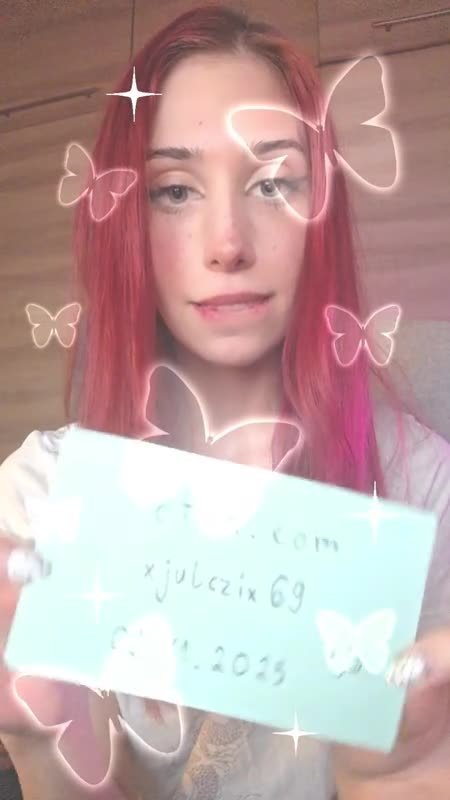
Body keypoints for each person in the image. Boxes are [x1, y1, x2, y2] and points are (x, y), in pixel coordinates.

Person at [1, 3, 450, 799]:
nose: (228, 244)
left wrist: (397, 783)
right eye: (174, 190)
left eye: (274, 183)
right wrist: (54, 755)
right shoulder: (39, 495)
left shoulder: (421, 485)